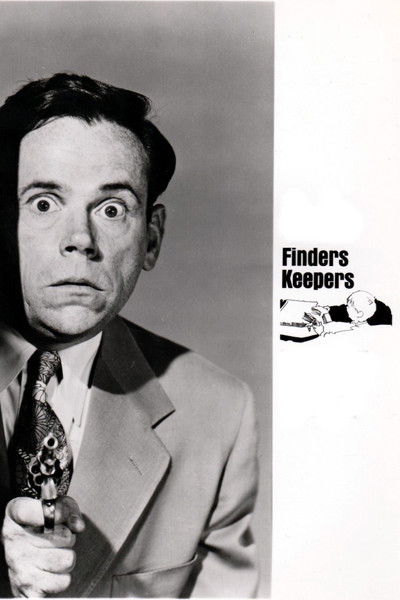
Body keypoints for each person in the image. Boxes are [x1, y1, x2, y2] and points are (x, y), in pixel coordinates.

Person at [0, 74, 258, 597]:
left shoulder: (220, 415)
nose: (80, 239)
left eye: (112, 209)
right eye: (44, 203)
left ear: (151, 239)